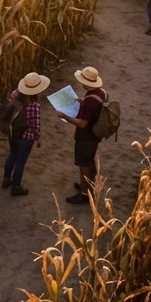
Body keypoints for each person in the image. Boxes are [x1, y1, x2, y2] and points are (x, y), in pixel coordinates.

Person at [60, 66, 106, 204]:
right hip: (95, 135)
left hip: (86, 137)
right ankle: (90, 186)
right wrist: (82, 101)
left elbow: (81, 124)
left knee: (84, 165)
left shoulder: (89, 100)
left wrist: (64, 115)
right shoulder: (100, 93)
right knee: (90, 161)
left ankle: (84, 194)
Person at [1, 71, 50, 197]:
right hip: (26, 137)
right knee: (20, 162)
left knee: (12, 154)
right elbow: (35, 125)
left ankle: (6, 179)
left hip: (13, 132)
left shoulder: (14, 93)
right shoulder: (34, 105)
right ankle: (16, 187)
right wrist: (37, 138)